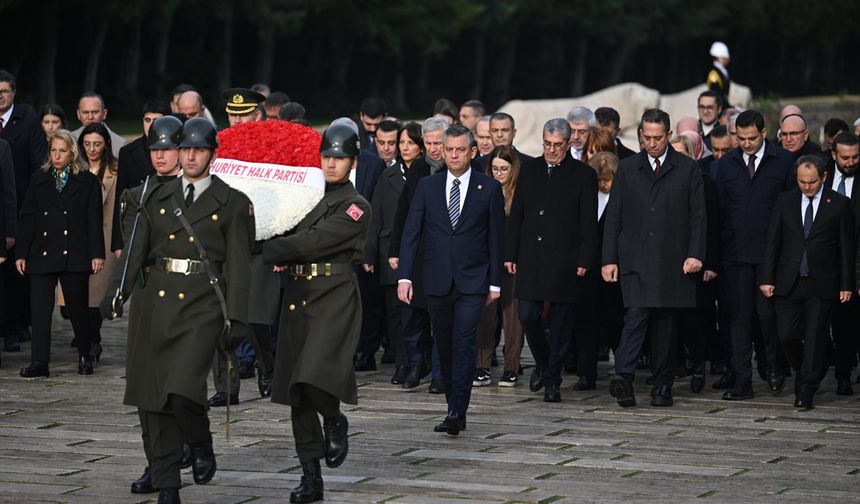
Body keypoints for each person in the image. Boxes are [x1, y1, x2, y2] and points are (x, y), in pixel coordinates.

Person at [101, 117, 254, 504]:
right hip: (156, 304)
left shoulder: (233, 202)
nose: (188, 156)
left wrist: (237, 316)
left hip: (203, 302)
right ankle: (168, 482)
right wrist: (117, 290)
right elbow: (137, 248)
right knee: (153, 395)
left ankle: (200, 442)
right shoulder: (155, 198)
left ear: (212, 155)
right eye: (184, 148)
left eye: (197, 150)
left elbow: (238, 263)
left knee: (182, 390)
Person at [262, 122, 371, 503]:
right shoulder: (304, 197)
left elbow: (315, 241)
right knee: (296, 390)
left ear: (352, 162)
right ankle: (311, 476)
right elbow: (280, 226)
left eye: (339, 158)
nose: (331, 163)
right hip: (297, 294)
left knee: (313, 376)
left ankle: (334, 417)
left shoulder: (357, 205)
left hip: (334, 296)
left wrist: (268, 249)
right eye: (326, 156)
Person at [398, 124, 504, 434]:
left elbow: (497, 239)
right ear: (442, 152)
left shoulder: (489, 188)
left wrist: (495, 283)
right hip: (437, 279)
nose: (454, 155)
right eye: (449, 150)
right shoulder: (428, 187)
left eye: (460, 150)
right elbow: (411, 234)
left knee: (464, 343)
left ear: (472, 152)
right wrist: (404, 276)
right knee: (444, 344)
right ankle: (452, 404)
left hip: (474, 280)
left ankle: (457, 411)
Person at [603, 108, 706, 408]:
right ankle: (624, 377)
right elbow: (614, 217)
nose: (651, 143)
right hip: (635, 258)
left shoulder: (687, 169)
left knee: (665, 326)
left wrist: (695, 254)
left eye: (657, 138)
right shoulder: (628, 167)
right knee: (635, 318)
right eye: (646, 137)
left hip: (672, 260)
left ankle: (663, 386)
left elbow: (699, 216)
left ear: (669, 135)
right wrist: (609, 259)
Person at [505, 118, 598, 402]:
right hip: (532, 256)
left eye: (558, 145)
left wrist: (585, 257)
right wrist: (510, 252)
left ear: (569, 143)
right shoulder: (530, 168)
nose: (551, 150)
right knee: (527, 315)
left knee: (560, 324)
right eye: (547, 144)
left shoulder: (583, 174)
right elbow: (518, 212)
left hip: (566, 258)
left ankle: (553, 381)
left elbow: (588, 221)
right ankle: (545, 366)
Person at [713, 109, 796, 400]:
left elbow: (792, 211)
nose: (746, 144)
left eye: (751, 138)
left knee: (766, 316)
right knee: (738, 319)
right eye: (741, 138)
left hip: (770, 255)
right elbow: (719, 211)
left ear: (763, 133)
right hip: (735, 254)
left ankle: (774, 365)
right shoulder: (725, 166)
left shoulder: (784, 162)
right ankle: (742, 381)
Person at [760, 155, 854, 409]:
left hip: (822, 282)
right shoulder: (785, 200)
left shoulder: (839, 204)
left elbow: (846, 249)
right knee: (787, 336)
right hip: (788, 280)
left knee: (814, 336)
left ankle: (806, 388)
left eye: (811, 182)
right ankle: (812, 367)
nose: (807, 187)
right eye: (802, 182)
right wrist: (766, 278)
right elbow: (773, 242)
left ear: (823, 178)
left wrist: (847, 284)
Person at [209, 87, 277, 407]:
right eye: (233, 114)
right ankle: (226, 386)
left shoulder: (270, 145)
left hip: (258, 239)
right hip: (222, 240)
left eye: (244, 114)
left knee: (255, 319)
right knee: (220, 316)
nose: (237, 120)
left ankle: (268, 366)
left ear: (257, 114)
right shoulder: (216, 144)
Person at [16, 130, 104, 377]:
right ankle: (39, 362)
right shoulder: (39, 178)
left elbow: (93, 220)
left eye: (62, 150)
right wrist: (22, 252)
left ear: (72, 152)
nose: (56, 155)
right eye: (53, 150)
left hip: (75, 251)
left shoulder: (86, 181)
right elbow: (28, 216)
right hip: (42, 251)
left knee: (78, 308)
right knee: (40, 309)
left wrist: (97, 254)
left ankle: (85, 354)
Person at [390, 116, 449, 393]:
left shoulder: (460, 168)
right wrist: (394, 251)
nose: (434, 149)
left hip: (445, 256)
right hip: (417, 252)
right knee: (412, 314)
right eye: (429, 143)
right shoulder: (418, 169)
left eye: (439, 142)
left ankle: (439, 373)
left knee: (440, 318)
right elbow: (403, 211)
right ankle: (415, 365)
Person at [364, 122, 423, 385]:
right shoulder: (387, 176)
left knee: (418, 313)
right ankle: (402, 363)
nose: (404, 147)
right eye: (402, 143)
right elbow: (374, 218)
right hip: (391, 253)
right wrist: (369, 254)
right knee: (395, 314)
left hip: (420, 253)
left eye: (410, 142)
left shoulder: (428, 174)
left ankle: (420, 361)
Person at [62, 123, 118, 362]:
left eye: (97, 144)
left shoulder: (116, 170)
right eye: (87, 144)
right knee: (73, 299)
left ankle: (92, 340)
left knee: (97, 295)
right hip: (74, 238)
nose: (92, 149)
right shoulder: (72, 170)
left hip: (105, 236)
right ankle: (85, 338)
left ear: (106, 144)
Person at [1, 69, 47, 351]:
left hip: (20, 206)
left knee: (17, 273)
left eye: (4, 91)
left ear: (13, 92)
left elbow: (38, 165)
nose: (0, 97)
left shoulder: (28, 121)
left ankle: (17, 325)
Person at [474, 145, 523, 387]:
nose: (499, 174)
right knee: (485, 316)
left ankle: (512, 366)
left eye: (504, 169)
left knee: (513, 318)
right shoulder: (482, 190)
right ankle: (481, 365)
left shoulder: (522, 192)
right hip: (486, 262)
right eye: (494, 169)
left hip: (513, 264)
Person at [112, 100, 172, 253]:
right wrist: (118, 242)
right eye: (147, 120)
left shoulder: (176, 150)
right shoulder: (127, 152)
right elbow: (120, 195)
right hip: (136, 224)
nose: (151, 125)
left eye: (156, 121)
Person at [827, 132, 860, 395]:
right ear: (833, 155)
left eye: (855, 157)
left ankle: (846, 373)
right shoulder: (821, 176)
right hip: (828, 265)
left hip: (857, 264)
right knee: (838, 324)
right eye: (845, 157)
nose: (850, 162)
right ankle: (841, 372)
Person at [70, 92, 126, 157]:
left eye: (95, 112)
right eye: (85, 112)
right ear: (78, 114)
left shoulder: (120, 145)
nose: (90, 117)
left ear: (104, 114)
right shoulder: (69, 141)